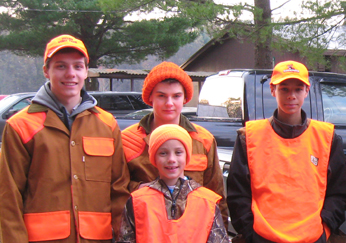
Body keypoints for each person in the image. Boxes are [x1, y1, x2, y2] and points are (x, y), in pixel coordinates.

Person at [0, 34, 131, 242]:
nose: (71, 74)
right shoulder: (20, 126)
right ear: (46, 71)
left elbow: (119, 190)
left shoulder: (107, 124)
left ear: (86, 72)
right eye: (61, 66)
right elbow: (8, 198)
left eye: (78, 67)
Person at [227, 60, 346, 243]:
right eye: (284, 89)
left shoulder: (327, 138)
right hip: (262, 237)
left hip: (313, 237)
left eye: (298, 89)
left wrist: (324, 227)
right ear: (272, 90)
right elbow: (237, 194)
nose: (291, 96)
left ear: (307, 91)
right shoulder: (249, 137)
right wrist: (251, 232)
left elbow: (339, 194)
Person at [121, 61, 227, 225]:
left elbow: (216, 196)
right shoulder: (127, 140)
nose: (169, 103)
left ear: (185, 98)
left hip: (192, 232)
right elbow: (116, 193)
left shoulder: (203, 141)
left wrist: (221, 233)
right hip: (145, 231)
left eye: (176, 96)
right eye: (161, 96)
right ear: (150, 97)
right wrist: (141, 188)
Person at [116, 124, 229, 243]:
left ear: (187, 156)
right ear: (154, 158)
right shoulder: (138, 201)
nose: (171, 159)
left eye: (178, 152)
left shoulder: (207, 202)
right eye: (163, 153)